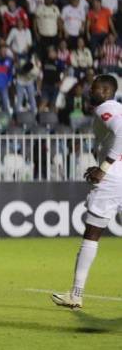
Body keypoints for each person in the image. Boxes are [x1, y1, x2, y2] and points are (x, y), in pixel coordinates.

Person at [53, 75, 122, 310]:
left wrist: (103, 169)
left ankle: (76, 294)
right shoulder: (116, 108)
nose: (89, 92)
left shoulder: (106, 109)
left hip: (112, 181)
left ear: (104, 91)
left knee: (92, 234)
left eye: (93, 89)